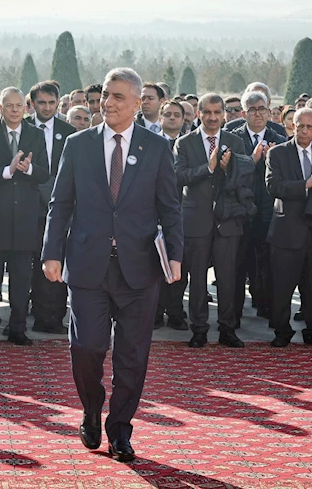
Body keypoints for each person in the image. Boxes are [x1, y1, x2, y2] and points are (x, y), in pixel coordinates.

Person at [42, 67, 182, 463]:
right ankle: (91, 408)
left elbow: (170, 208)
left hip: (139, 269)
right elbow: (60, 203)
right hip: (87, 265)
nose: (108, 102)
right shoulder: (78, 144)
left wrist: (174, 255)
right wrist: (52, 252)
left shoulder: (155, 148)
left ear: (139, 104)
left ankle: (120, 428)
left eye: (119, 96)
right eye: (106, 94)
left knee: (133, 356)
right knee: (86, 347)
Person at [0, 87, 50, 345]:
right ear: (1, 108)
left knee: (21, 280)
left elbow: (45, 173)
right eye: (10, 105)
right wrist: (5, 171)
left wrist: (29, 170)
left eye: (19, 105)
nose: (15, 110)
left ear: (26, 108)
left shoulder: (36, 135)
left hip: (25, 220)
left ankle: (18, 329)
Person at [174, 93, 246, 349]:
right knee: (197, 279)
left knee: (228, 278)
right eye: (208, 112)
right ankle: (199, 329)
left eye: (218, 112)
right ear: (199, 114)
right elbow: (178, 176)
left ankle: (228, 328)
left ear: (224, 114)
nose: (213, 117)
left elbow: (245, 179)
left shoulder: (235, 142)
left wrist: (230, 169)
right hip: (196, 219)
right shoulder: (184, 143)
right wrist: (210, 167)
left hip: (228, 219)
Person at [266, 107, 312, 348]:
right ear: (292, 126)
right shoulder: (277, 153)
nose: (304, 131)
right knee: (282, 285)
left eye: (310, 126)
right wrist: (305, 185)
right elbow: (273, 187)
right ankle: (281, 330)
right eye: (300, 126)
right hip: (287, 231)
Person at [230, 91, 286, 324]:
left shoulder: (279, 138)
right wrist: (251, 160)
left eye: (261, 109)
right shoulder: (233, 138)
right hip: (240, 211)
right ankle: (233, 314)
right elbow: (229, 174)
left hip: (268, 211)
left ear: (269, 110)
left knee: (269, 265)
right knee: (237, 265)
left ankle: (268, 309)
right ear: (244, 113)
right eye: (252, 110)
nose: (257, 114)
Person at [27, 82, 74, 335]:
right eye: (41, 102)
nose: (46, 107)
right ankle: (25, 315)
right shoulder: (21, 128)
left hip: (58, 209)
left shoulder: (69, 132)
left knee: (55, 260)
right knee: (29, 264)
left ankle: (52, 317)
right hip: (25, 208)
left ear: (58, 103)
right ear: (32, 103)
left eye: (51, 103)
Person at [155, 100, 189, 330]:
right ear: (160, 118)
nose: (173, 118)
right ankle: (155, 313)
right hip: (153, 212)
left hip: (183, 213)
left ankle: (176, 312)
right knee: (155, 267)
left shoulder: (189, 145)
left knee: (179, 266)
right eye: (168, 114)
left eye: (177, 114)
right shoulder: (152, 144)